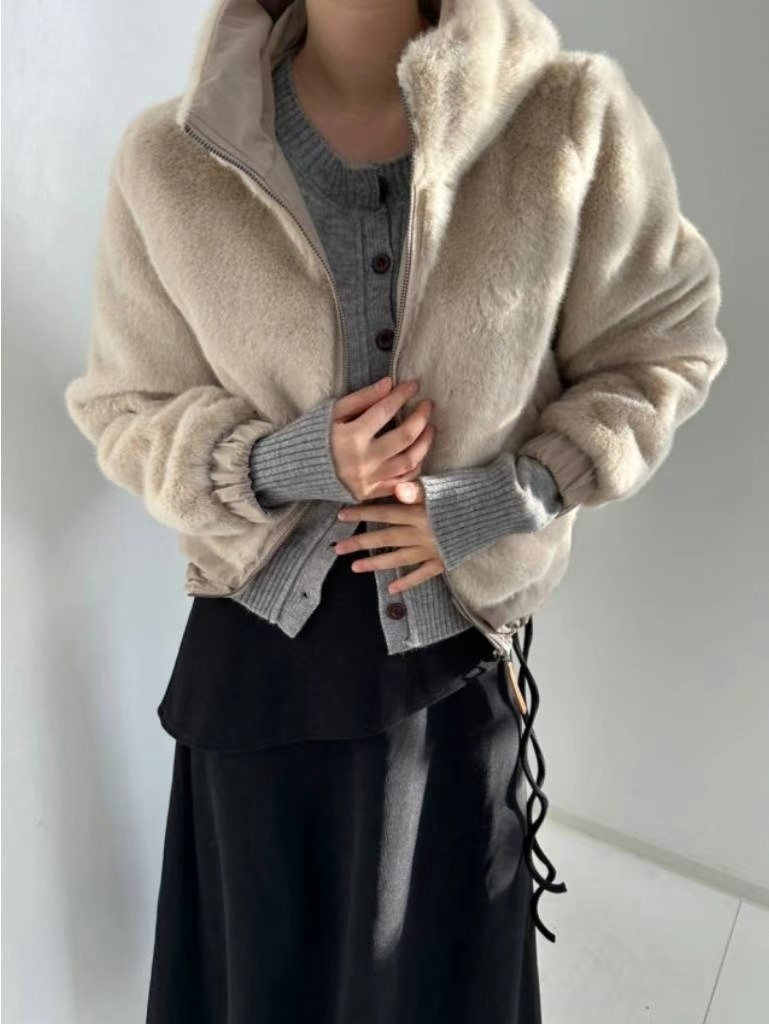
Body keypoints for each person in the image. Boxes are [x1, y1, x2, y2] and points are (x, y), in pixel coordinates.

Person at [63, 0, 728, 1021]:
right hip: (254, 682)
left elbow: (663, 346)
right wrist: (288, 458)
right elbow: (125, 407)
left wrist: (503, 496)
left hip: (446, 679)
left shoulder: (565, 117)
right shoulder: (171, 161)